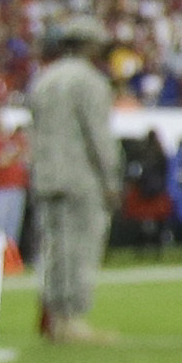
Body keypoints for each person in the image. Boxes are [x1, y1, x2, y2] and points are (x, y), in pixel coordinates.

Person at [23, 21, 118, 342]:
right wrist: (111, 178)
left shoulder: (43, 79)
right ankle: (73, 318)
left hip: (46, 174)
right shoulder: (90, 82)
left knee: (54, 247)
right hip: (80, 176)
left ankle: (55, 317)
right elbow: (98, 136)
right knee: (79, 247)